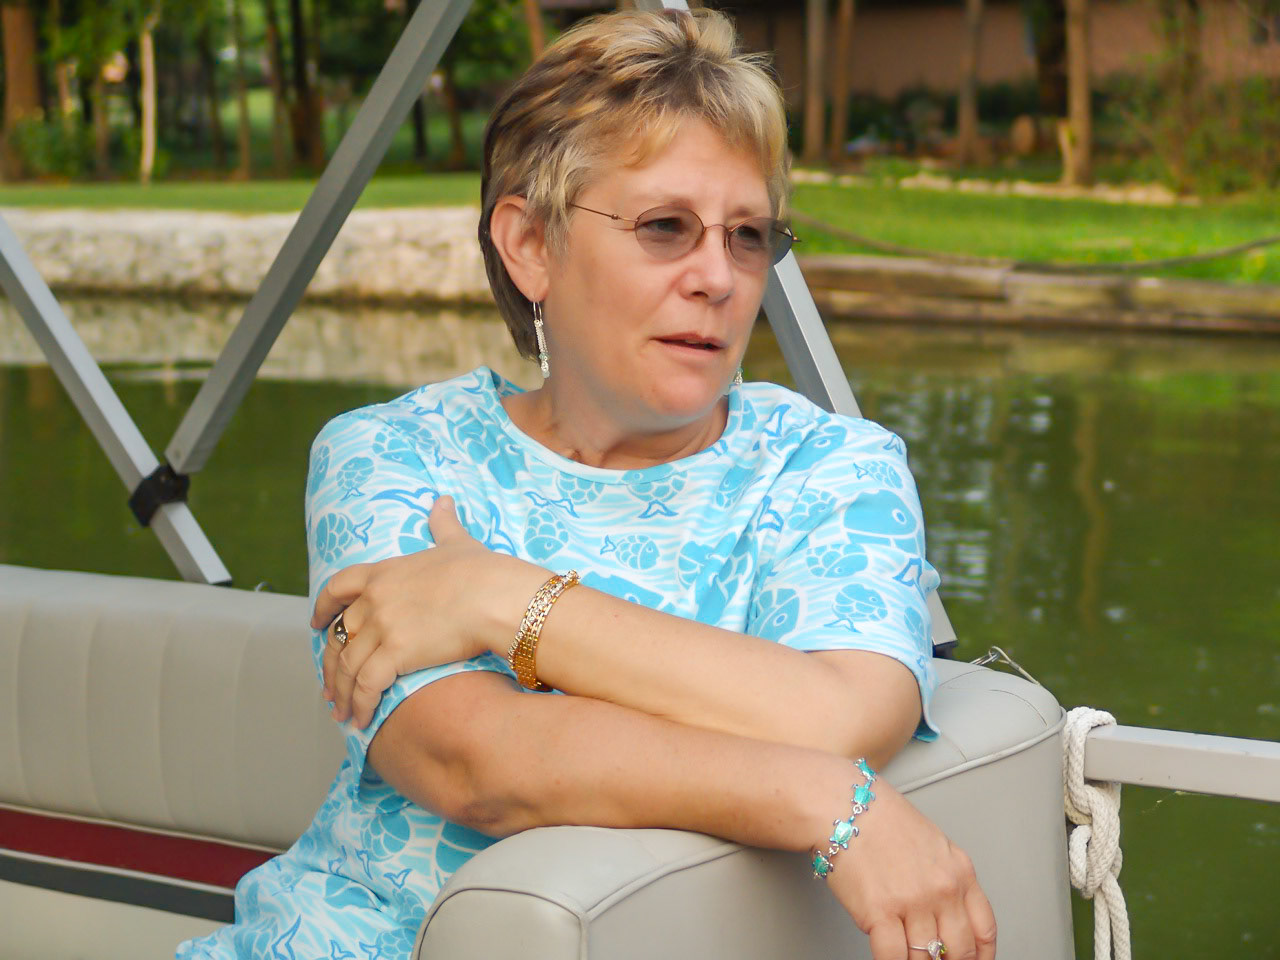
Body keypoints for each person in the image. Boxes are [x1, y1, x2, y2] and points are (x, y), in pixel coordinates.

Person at [178, 9, 995, 960]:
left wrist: (498, 598)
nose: (720, 278)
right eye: (666, 227)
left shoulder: (832, 468)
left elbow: (839, 714)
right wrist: (820, 796)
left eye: (747, 236)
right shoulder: (394, 455)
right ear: (530, 242)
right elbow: (471, 761)